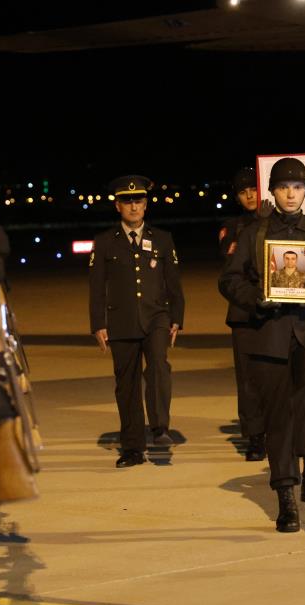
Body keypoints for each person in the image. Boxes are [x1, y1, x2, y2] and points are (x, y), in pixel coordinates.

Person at [219, 157, 305, 532]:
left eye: (297, 188)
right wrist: (255, 297)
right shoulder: (254, 234)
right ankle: (286, 495)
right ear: (273, 192)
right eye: (283, 187)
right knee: (278, 413)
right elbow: (229, 281)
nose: (291, 194)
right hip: (270, 331)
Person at [89, 175, 185, 467]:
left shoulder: (162, 239)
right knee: (126, 384)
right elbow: (96, 287)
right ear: (118, 206)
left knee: (158, 365)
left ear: (146, 204)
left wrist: (177, 318)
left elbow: (174, 284)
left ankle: (159, 426)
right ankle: (132, 447)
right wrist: (98, 324)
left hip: (156, 316)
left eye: (139, 201)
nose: (134, 207)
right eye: (127, 201)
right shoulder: (105, 242)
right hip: (121, 321)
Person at [219, 167, 265, 460]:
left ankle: (278, 430)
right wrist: (258, 226)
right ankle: (255, 437)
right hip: (244, 312)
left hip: (276, 309)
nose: (249, 195)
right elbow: (233, 262)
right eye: (243, 191)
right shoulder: (232, 227)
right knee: (248, 380)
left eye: (253, 189)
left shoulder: (277, 222)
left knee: (278, 377)